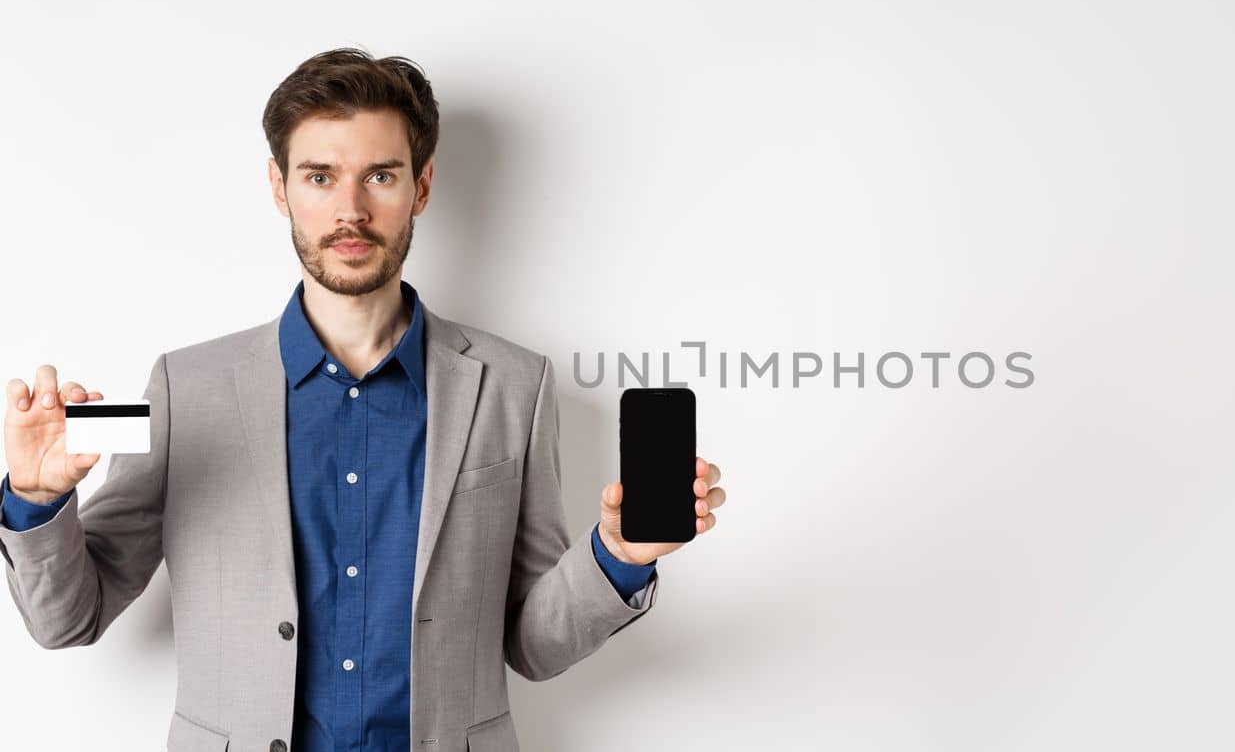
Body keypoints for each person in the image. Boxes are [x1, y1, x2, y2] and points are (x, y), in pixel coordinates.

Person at [0, 47, 727, 752]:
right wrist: (36, 500)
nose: (350, 210)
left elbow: (532, 645)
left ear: (423, 185)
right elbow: (68, 620)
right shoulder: (184, 388)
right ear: (280, 187)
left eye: (379, 175)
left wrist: (619, 554)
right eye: (320, 176)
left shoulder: (515, 385)